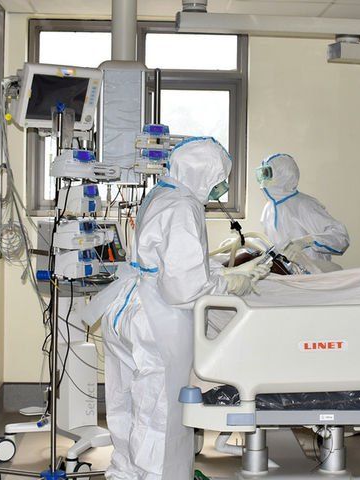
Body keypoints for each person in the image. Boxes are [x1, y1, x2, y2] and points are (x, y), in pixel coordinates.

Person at [82, 137, 260, 479]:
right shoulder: (184, 206)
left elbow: (165, 260)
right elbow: (183, 287)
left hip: (127, 309)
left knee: (126, 406)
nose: (221, 188)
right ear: (204, 174)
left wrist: (217, 272)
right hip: (155, 320)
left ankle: (125, 473)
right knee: (160, 413)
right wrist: (228, 284)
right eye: (219, 179)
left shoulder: (162, 193)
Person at [257, 153, 350, 271]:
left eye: (267, 174)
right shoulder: (268, 209)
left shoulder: (304, 205)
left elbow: (340, 237)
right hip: (285, 273)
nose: (263, 179)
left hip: (312, 272)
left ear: (283, 174)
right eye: (262, 174)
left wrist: (306, 241)